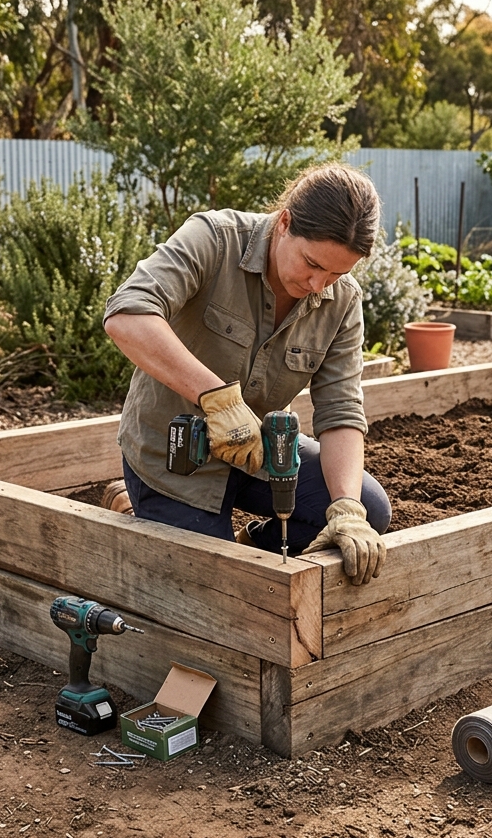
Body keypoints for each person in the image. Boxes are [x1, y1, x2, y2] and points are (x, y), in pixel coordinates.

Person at [102, 162, 390, 585]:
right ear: (285, 223)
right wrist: (218, 400)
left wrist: (345, 507)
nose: (318, 285)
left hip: (256, 454)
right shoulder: (214, 240)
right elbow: (126, 316)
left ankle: (253, 543)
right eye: (311, 263)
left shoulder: (341, 301)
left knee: (369, 509)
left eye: (337, 273)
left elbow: (341, 411)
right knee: (215, 586)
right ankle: (134, 503)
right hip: (175, 459)